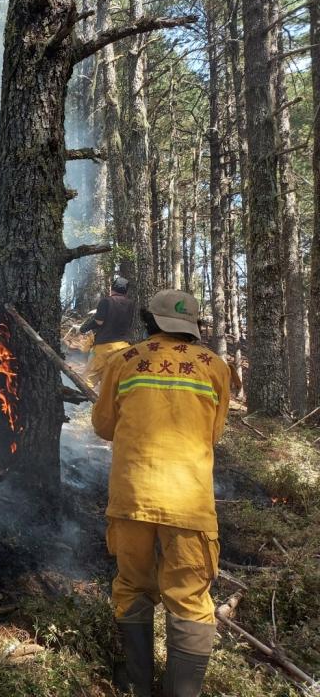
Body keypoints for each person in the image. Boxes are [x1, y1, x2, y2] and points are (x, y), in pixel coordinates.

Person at [91, 290, 231, 697]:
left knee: (133, 586)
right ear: (192, 327)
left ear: (149, 321)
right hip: (190, 503)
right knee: (188, 597)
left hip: (132, 496)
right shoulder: (215, 367)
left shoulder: (124, 361)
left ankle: (136, 685)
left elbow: (103, 426)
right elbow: (214, 432)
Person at [80, 277, 135, 387]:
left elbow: (99, 322)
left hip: (105, 346)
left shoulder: (106, 301)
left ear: (112, 287)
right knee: (111, 381)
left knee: (88, 379)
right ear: (126, 290)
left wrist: (83, 328)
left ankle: (87, 400)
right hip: (124, 347)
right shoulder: (131, 303)